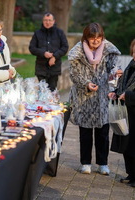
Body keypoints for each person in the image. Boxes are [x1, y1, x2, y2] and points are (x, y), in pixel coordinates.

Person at [68, 22, 121, 175]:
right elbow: (74, 74)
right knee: (85, 133)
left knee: (103, 133)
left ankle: (103, 163)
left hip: (103, 97)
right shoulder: (77, 52)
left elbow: (113, 68)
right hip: (84, 98)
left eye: (98, 38)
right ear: (86, 38)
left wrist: (115, 74)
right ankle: (85, 163)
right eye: (92, 38)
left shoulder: (109, 50)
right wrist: (86, 84)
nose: (96, 41)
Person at [110, 39, 135, 186]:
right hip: (127, 112)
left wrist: (129, 96)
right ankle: (130, 174)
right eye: (134, 52)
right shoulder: (130, 67)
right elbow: (122, 86)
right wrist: (115, 93)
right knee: (127, 145)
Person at [29, 12, 69, 92]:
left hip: (54, 67)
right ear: (43, 21)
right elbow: (32, 48)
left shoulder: (60, 33)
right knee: (42, 92)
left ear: (54, 21)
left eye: (50, 20)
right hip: (41, 68)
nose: (47, 22)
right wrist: (43, 53)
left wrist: (55, 56)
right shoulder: (37, 33)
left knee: (52, 92)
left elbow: (65, 47)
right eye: (45, 20)